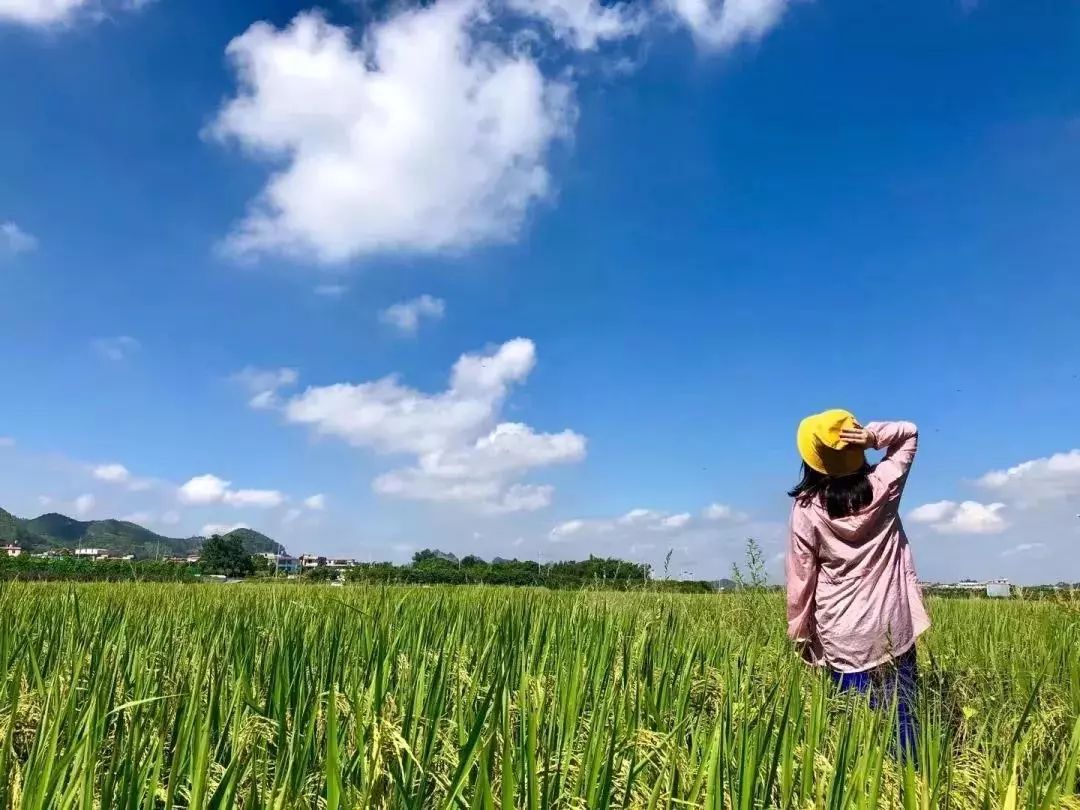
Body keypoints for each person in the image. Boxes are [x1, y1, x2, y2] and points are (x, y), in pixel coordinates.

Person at [786, 409, 930, 758]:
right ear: (857, 452)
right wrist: (873, 437)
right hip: (891, 627)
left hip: (840, 633)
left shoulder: (806, 511)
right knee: (903, 716)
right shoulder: (884, 488)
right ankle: (912, 780)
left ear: (813, 462)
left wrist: (800, 634)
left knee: (853, 728)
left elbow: (802, 579)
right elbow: (909, 433)